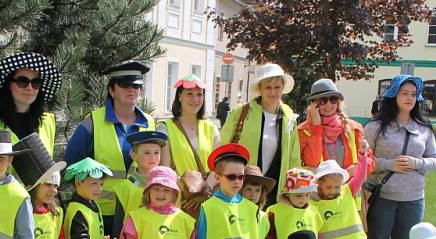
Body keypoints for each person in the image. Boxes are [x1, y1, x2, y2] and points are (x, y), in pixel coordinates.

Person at [64, 61, 156, 235]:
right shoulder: (92, 123)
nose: (132, 90)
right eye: (125, 85)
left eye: (136, 86)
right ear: (112, 90)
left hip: (138, 211)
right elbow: (71, 166)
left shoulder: (150, 123)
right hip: (101, 213)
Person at [363, 75, 436, 239]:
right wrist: (390, 164)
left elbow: (434, 159)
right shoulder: (375, 126)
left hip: (413, 200)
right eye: (404, 93)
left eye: (414, 94)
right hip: (382, 197)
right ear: (394, 95)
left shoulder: (424, 128)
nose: (409, 98)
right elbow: (362, 161)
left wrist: (416, 163)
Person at [0, 52, 62, 181]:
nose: (30, 88)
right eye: (22, 81)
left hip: (39, 200)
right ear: (9, 85)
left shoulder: (48, 121)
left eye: (36, 82)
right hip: (3, 199)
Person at [220, 63, 301, 204]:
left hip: (276, 188)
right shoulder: (242, 112)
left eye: (277, 87)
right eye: (268, 87)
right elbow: (223, 147)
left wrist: (293, 189)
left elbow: (294, 157)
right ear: (260, 89)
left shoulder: (289, 116)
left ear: (283, 88)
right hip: (244, 185)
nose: (273, 92)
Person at [158, 74, 220, 218]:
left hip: (207, 198)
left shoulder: (211, 128)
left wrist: (205, 191)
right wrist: (187, 192)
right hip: (179, 199)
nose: (195, 99)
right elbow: (165, 168)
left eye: (199, 94)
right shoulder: (165, 127)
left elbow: (218, 166)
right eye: (189, 94)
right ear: (179, 96)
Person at [119, 166, 195, 239]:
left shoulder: (187, 221)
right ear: (148, 191)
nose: (161, 194)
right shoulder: (136, 217)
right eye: (156, 189)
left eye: (166, 190)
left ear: (174, 194)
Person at [298, 79, 375, 182]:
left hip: (347, 193)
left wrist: (354, 170)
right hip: (317, 194)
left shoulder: (354, 128)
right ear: (314, 104)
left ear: (338, 102)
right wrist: (317, 127)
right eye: (323, 101)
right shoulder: (303, 131)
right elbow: (312, 162)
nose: (329, 105)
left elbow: (371, 162)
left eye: (333, 99)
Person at [310, 159, 368, 239]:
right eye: (328, 187)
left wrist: (362, 157)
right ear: (319, 184)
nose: (333, 191)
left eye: (337, 187)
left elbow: (359, 177)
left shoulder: (347, 191)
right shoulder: (313, 202)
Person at [111, 130, 167, 238]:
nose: (153, 157)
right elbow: (118, 227)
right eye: (147, 153)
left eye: (157, 152)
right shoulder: (124, 188)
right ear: (133, 155)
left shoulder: (169, 187)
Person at [265, 168, 324, 239]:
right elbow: (270, 237)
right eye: (299, 195)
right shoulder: (274, 211)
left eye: (307, 195)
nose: (304, 199)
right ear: (287, 193)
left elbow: (318, 238)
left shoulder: (314, 212)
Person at [62, 157, 111, 239]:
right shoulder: (77, 210)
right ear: (78, 184)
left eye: (101, 184)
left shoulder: (94, 205)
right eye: (94, 183)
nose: (99, 188)